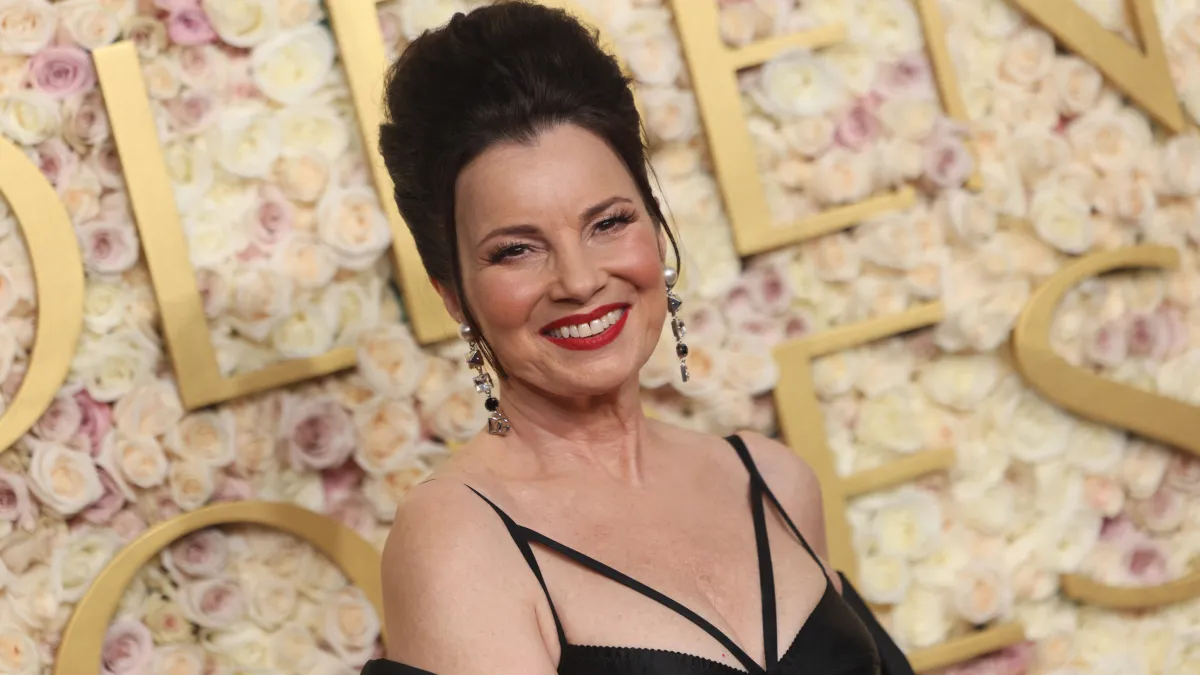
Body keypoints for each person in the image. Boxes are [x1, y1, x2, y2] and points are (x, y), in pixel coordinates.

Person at [361, 3, 914, 674]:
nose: (579, 280)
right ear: (452, 291)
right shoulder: (458, 536)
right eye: (515, 250)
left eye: (608, 223)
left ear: (654, 226)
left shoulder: (773, 481)